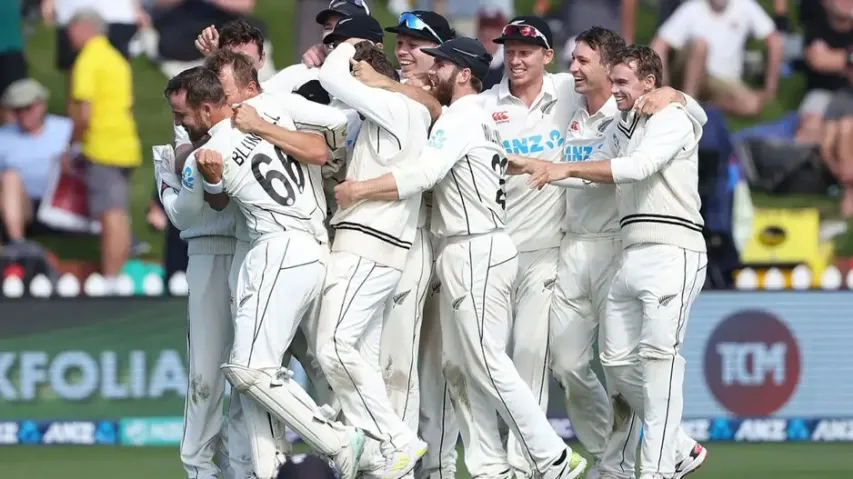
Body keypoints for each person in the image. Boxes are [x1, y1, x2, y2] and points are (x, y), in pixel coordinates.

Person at [333, 35, 588, 479]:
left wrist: (360, 190)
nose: (433, 70)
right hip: (471, 247)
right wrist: (521, 162)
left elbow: (425, 173)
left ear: (464, 74)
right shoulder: (478, 116)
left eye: (442, 65)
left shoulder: (462, 116)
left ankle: (551, 455)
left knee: (487, 361)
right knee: (460, 366)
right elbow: (483, 158)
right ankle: (490, 466)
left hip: (475, 246)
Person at [513, 44, 707, 479]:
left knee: (659, 363)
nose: (615, 89)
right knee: (617, 365)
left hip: (673, 248)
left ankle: (655, 470)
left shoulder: (673, 117)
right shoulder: (624, 123)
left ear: (650, 83)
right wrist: (539, 166)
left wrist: (680, 96)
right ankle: (677, 446)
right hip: (633, 252)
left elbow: (638, 167)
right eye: (614, 80)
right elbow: (594, 174)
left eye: (623, 82)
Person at [170, 65, 363, 479]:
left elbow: (184, 215)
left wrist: (179, 180)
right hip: (315, 246)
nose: (180, 124)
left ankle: (338, 439)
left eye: (183, 115)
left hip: (278, 249)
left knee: (248, 370)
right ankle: (267, 469)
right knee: (267, 372)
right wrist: (219, 181)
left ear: (206, 110)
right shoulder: (268, 112)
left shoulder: (208, 152)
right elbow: (321, 145)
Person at [313, 18, 432, 478]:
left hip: (367, 242)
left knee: (332, 346)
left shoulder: (392, 103)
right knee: (360, 356)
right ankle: (386, 452)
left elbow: (330, 76)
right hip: (379, 244)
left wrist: (349, 46)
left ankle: (398, 439)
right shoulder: (401, 110)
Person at [63, 8, 140, 293]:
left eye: (71, 29)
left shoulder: (88, 59)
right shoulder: (116, 59)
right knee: (119, 213)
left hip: (102, 145)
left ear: (84, 28)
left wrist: (72, 144)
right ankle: (116, 275)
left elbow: (83, 110)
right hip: (125, 143)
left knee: (110, 215)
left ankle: (109, 277)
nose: (68, 35)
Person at [650, 0, 782, 118]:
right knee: (700, 46)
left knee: (751, 106)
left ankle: (702, 105)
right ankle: (687, 104)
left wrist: (770, 88)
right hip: (691, 73)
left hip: (725, 80)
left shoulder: (745, 6)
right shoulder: (692, 8)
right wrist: (663, 84)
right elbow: (659, 45)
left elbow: (775, 42)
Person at [0, 79, 72, 244]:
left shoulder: (65, 129)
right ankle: (17, 242)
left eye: (28, 108)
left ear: (41, 105)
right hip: (24, 204)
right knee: (10, 177)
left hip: (62, 200)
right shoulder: (4, 136)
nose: (23, 114)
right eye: (18, 110)